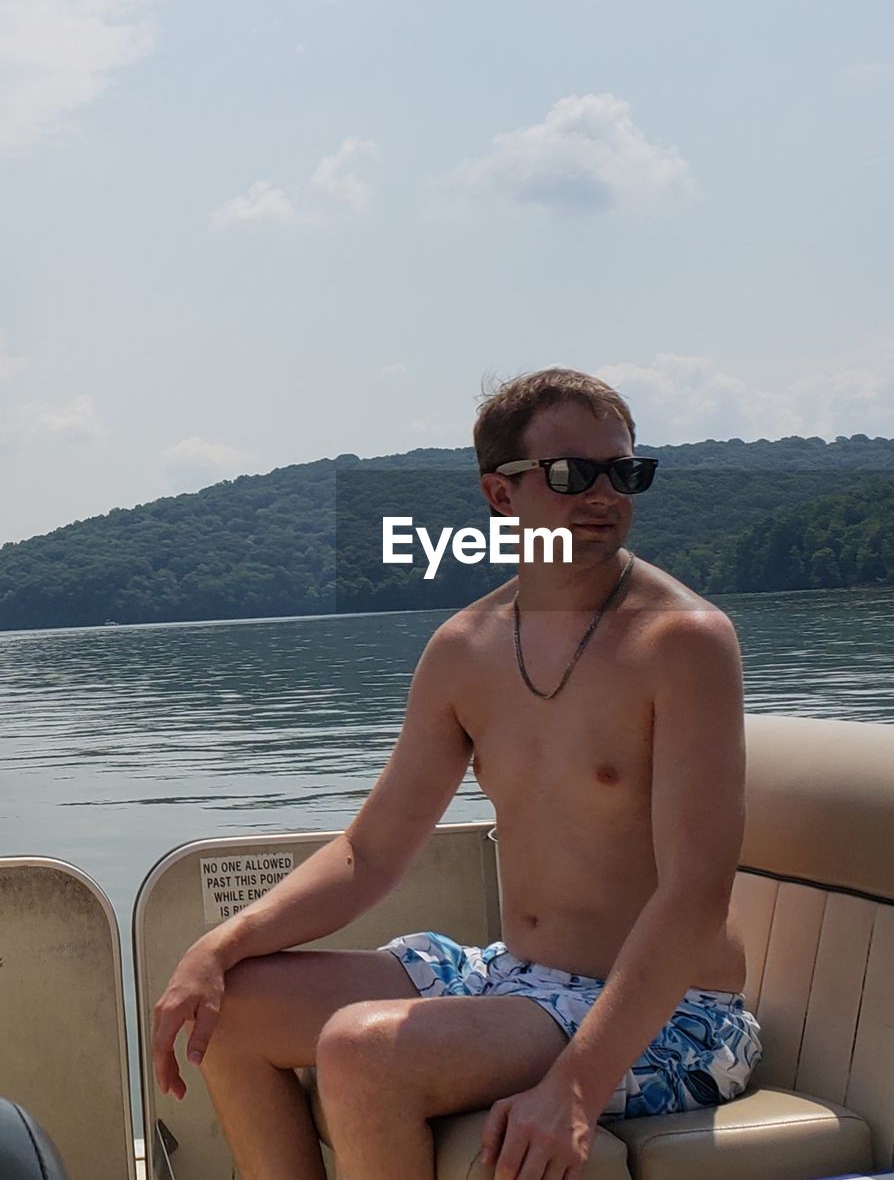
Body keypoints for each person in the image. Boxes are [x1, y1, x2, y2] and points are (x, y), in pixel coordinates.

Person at [151, 367, 762, 1180]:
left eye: (625, 472)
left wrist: (574, 1090)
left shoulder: (682, 641)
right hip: (514, 977)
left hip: (675, 1013)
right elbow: (371, 855)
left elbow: (695, 893)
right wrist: (218, 947)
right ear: (501, 495)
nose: (604, 494)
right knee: (227, 1011)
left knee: (363, 1052)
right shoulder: (464, 650)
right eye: (571, 474)